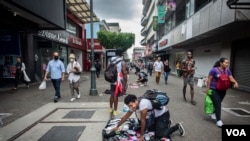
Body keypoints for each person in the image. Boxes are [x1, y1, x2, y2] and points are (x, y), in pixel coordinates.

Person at [111, 94, 185, 141]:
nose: (131, 107)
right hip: (155, 116)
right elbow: (125, 117)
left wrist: (142, 136)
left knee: (159, 135)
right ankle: (167, 123)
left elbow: (143, 121)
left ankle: (176, 126)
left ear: (136, 101)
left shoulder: (143, 104)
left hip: (163, 115)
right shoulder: (134, 105)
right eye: (129, 106)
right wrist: (117, 126)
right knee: (149, 130)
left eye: (131, 105)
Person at [206, 57, 239, 127]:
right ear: (221, 63)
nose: (227, 64)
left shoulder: (227, 71)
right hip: (214, 89)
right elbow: (209, 79)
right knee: (218, 104)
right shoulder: (214, 70)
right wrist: (207, 89)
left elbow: (231, 78)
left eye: (228, 63)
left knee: (218, 103)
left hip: (223, 90)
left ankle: (213, 113)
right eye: (226, 62)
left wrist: (235, 82)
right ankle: (218, 121)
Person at [109, 48, 128, 116]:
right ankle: (115, 110)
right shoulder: (122, 62)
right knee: (115, 95)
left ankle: (111, 108)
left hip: (111, 79)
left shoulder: (111, 59)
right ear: (121, 54)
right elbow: (124, 73)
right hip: (118, 80)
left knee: (112, 94)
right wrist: (126, 82)